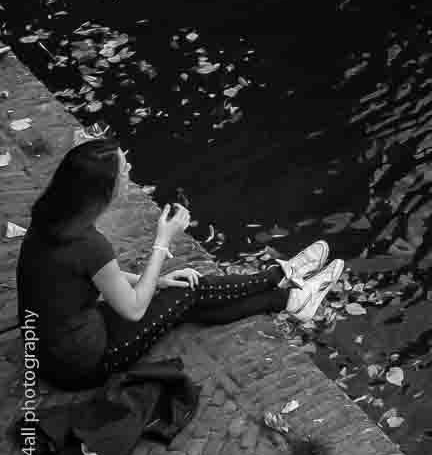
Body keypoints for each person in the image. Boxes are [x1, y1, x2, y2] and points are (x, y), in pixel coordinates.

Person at [16, 138, 345, 391]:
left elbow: (100, 277)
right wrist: (163, 240)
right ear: (103, 190)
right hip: (84, 364)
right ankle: (282, 279)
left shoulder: (51, 221)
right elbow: (133, 310)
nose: (128, 169)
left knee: (180, 295)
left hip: (50, 351)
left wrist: (157, 281)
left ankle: (291, 296)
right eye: (123, 169)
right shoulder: (89, 244)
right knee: (191, 290)